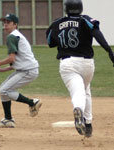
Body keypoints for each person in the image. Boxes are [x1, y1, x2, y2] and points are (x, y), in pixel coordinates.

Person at [46, 0, 114, 138]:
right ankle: (88, 124)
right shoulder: (85, 20)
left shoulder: (57, 22)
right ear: (80, 8)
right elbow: (97, 34)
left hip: (68, 64)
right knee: (85, 90)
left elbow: (50, 42)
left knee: (78, 91)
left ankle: (79, 109)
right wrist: (109, 51)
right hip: (87, 64)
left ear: (66, 9)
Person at [0, 14, 42, 128]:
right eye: (4, 22)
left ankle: (32, 102)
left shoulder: (12, 37)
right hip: (25, 69)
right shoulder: (16, 36)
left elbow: (11, 58)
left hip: (28, 71)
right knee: (3, 90)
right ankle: (8, 120)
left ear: (15, 24)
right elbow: (17, 61)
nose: (5, 24)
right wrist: (2, 69)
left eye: (8, 22)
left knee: (4, 90)